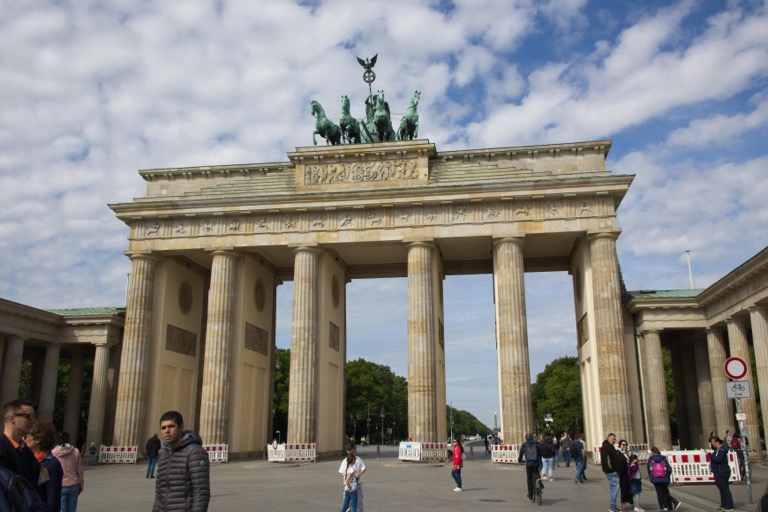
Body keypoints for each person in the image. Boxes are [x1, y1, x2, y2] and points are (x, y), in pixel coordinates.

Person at [152, 410, 210, 512]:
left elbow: (201, 492)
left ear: (181, 427)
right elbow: (159, 494)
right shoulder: (164, 455)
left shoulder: (194, 452)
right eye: (163, 428)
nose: (167, 431)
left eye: (171, 426)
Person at [0, 399, 40, 488]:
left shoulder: (25, 450)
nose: (33, 421)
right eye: (29, 416)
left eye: (34, 416)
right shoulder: (2, 451)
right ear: (12, 419)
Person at [25, 421, 63, 512]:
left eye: (26, 436)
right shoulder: (27, 459)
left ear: (38, 439)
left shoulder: (52, 465)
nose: (23, 439)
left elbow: (53, 499)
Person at [53, 431, 85, 512]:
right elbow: (80, 470)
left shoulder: (53, 452)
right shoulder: (75, 451)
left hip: (60, 484)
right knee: (72, 509)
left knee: (62, 509)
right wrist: (81, 484)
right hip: (74, 484)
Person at [647, 446, 680, 511]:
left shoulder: (651, 459)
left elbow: (649, 469)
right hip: (664, 478)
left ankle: (661, 508)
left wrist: (651, 477)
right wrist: (667, 476)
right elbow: (669, 469)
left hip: (655, 478)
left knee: (659, 493)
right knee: (665, 493)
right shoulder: (663, 458)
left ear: (652, 452)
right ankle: (666, 507)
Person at [602, 433, 625, 512]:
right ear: (608, 439)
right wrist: (612, 470)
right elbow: (607, 460)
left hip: (614, 471)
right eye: (613, 439)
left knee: (614, 488)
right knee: (615, 488)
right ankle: (612, 507)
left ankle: (613, 506)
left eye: (615, 439)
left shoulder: (610, 447)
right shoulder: (606, 447)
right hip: (612, 472)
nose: (614, 441)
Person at [710, 436, 734, 511]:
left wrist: (709, 455)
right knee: (722, 488)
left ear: (717, 442)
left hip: (722, 471)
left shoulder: (721, 450)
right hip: (718, 471)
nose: (712, 444)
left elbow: (717, 460)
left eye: (713, 442)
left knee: (724, 488)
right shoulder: (718, 450)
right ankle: (724, 504)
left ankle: (729, 505)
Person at [339, 444, 366, 512]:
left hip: (355, 485)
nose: (351, 454)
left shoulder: (358, 459)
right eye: (349, 452)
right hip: (351, 488)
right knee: (352, 505)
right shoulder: (346, 462)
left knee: (357, 503)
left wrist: (358, 475)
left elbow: (364, 468)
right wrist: (348, 478)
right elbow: (341, 472)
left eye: (352, 452)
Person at [518, 433, 541, 501]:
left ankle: (530, 494)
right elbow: (540, 452)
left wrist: (520, 460)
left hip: (529, 464)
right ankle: (539, 483)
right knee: (536, 473)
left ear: (526, 438)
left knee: (529, 478)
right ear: (532, 438)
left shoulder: (524, 445)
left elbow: (521, 454)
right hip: (536, 463)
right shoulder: (537, 444)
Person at [618, 439, 632, 509]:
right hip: (623, 473)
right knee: (623, 488)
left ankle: (631, 501)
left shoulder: (629, 453)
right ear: (620, 445)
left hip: (630, 472)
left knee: (630, 487)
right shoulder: (619, 453)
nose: (625, 446)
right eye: (623, 444)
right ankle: (623, 502)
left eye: (626, 444)